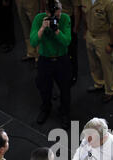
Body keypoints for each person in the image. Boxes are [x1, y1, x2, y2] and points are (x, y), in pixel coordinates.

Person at [31, 0, 72, 129]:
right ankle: (46, 108)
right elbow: (33, 41)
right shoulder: (38, 19)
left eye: (59, 15)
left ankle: (65, 113)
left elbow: (66, 41)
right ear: (47, 13)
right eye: (56, 16)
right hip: (45, 59)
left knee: (65, 89)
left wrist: (56, 30)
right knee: (44, 87)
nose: (58, 18)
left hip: (61, 60)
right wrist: (43, 28)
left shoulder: (65, 18)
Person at [81, 0, 113, 103]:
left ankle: (110, 90)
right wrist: (85, 31)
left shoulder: (109, 2)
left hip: (103, 36)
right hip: (90, 34)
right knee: (93, 63)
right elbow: (84, 15)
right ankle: (99, 83)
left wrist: (111, 43)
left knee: (106, 65)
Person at [41, 0, 81, 83]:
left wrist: (75, 27)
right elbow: (44, 3)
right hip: (52, 18)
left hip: (66, 18)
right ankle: (58, 73)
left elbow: (76, 8)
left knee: (71, 49)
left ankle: (73, 74)